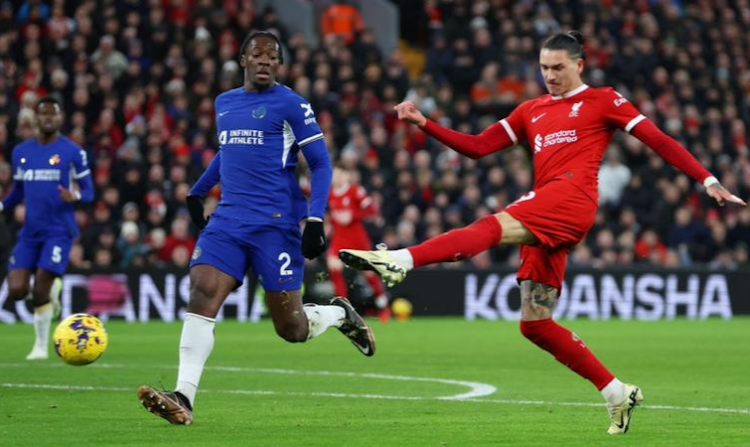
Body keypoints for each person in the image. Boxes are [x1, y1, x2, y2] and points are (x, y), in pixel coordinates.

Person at [339, 31, 747, 435]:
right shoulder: (530, 110)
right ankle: (615, 392)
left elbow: (657, 139)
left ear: (579, 65)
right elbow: (479, 146)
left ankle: (400, 260)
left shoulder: (603, 99)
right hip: (549, 208)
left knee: (491, 226)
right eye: (544, 67)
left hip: (571, 199)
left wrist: (706, 179)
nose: (549, 75)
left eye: (558, 67)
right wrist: (424, 123)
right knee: (535, 323)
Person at [137, 31, 376, 426]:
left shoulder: (293, 105)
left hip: (275, 226)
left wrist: (315, 217)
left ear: (279, 65)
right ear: (243, 59)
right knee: (202, 292)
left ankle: (338, 315)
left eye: (272, 56)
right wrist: (198, 192)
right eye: (257, 54)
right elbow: (230, 150)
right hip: (229, 220)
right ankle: (184, 395)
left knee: (292, 328)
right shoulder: (225, 103)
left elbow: (320, 163)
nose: (264, 60)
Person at [0, 96, 94, 360]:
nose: (48, 118)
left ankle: (40, 346)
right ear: (36, 118)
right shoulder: (21, 152)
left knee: (40, 287)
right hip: (30, 231)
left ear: (60, 118)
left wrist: (73, 196)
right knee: (17, 290)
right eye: (44, 114)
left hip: (59, 229)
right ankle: (51, 291)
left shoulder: (73, 152)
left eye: (53, 114)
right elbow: (17, 192)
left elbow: (89, 192)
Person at [327, 164, 390, 321]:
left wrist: (353, 215)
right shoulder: (329, 193)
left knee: (368, 273)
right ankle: (342, 309)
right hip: (339, 240)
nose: (336, 178)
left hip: (357, 240)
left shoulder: (355, 191)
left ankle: (383, 306)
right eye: (334, 174)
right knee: (334, 268)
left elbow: (371, 209)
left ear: (346, 176)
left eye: (340, 174)